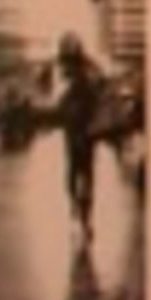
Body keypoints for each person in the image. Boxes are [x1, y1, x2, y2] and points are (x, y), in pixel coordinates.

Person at [51, 32, 109, 238]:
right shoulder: (84, 70)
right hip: (85, 130)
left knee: (75, 171)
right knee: (84, 172)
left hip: (78, 130)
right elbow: (103, 83)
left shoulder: (68, 72)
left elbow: (57, 103)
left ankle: (78, 209)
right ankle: (82, 213)